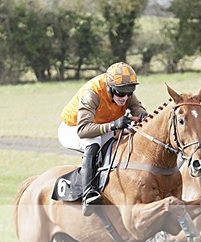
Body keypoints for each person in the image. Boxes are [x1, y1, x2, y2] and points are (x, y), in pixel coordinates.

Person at [58, 62, 147, 216]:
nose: (124, 97)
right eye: (120, 93)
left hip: (99, 125)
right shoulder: (92, 93)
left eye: (129, 92)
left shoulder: (124, 90)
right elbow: (83, 130)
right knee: (94, 142)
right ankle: (88, 194)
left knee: (126, 135)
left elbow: (138, 109)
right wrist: (113, 125)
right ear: (109, 87)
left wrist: (143, 116)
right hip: (73, 128)